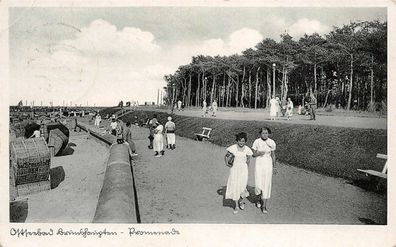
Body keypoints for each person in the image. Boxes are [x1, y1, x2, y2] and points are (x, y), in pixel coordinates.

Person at [224, 132, 253, 214]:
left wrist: (247, 171)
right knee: (235, 186)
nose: (241, 143)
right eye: (240, 141)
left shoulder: (247, 149)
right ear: (237, 141)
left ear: (245, 141)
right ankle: (236, 205)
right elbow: (226, 156)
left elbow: (248, 161)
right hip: (235, 169)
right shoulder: (233, 148)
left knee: (242, 186)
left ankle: (241, 201)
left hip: (243, 170)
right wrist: (227, 163)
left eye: (243, 141)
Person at [252, 127, 276, 214]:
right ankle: (258, 199)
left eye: (266, 133)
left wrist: (274, 167)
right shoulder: (257, 141)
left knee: (266, 184)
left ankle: (264, 205)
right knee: (258, 184)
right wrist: (258, 153)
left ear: (268, 134)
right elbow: (253, 155)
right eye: (263, 133)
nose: (265, 135)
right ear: (260, 134)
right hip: (259, 163)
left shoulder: (272, 142)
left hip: (268, 164)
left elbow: (273, 155)